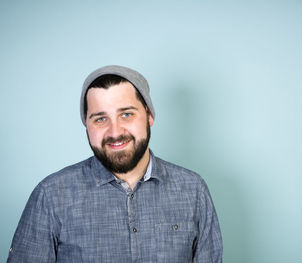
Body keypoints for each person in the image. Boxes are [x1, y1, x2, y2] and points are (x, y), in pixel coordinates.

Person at [7, 65, 223, 262]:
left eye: (126, 114)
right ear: (87, 126)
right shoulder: (51, 196)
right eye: (100, 119)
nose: (115, 132)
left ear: (149, 116)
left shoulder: (193, 190)